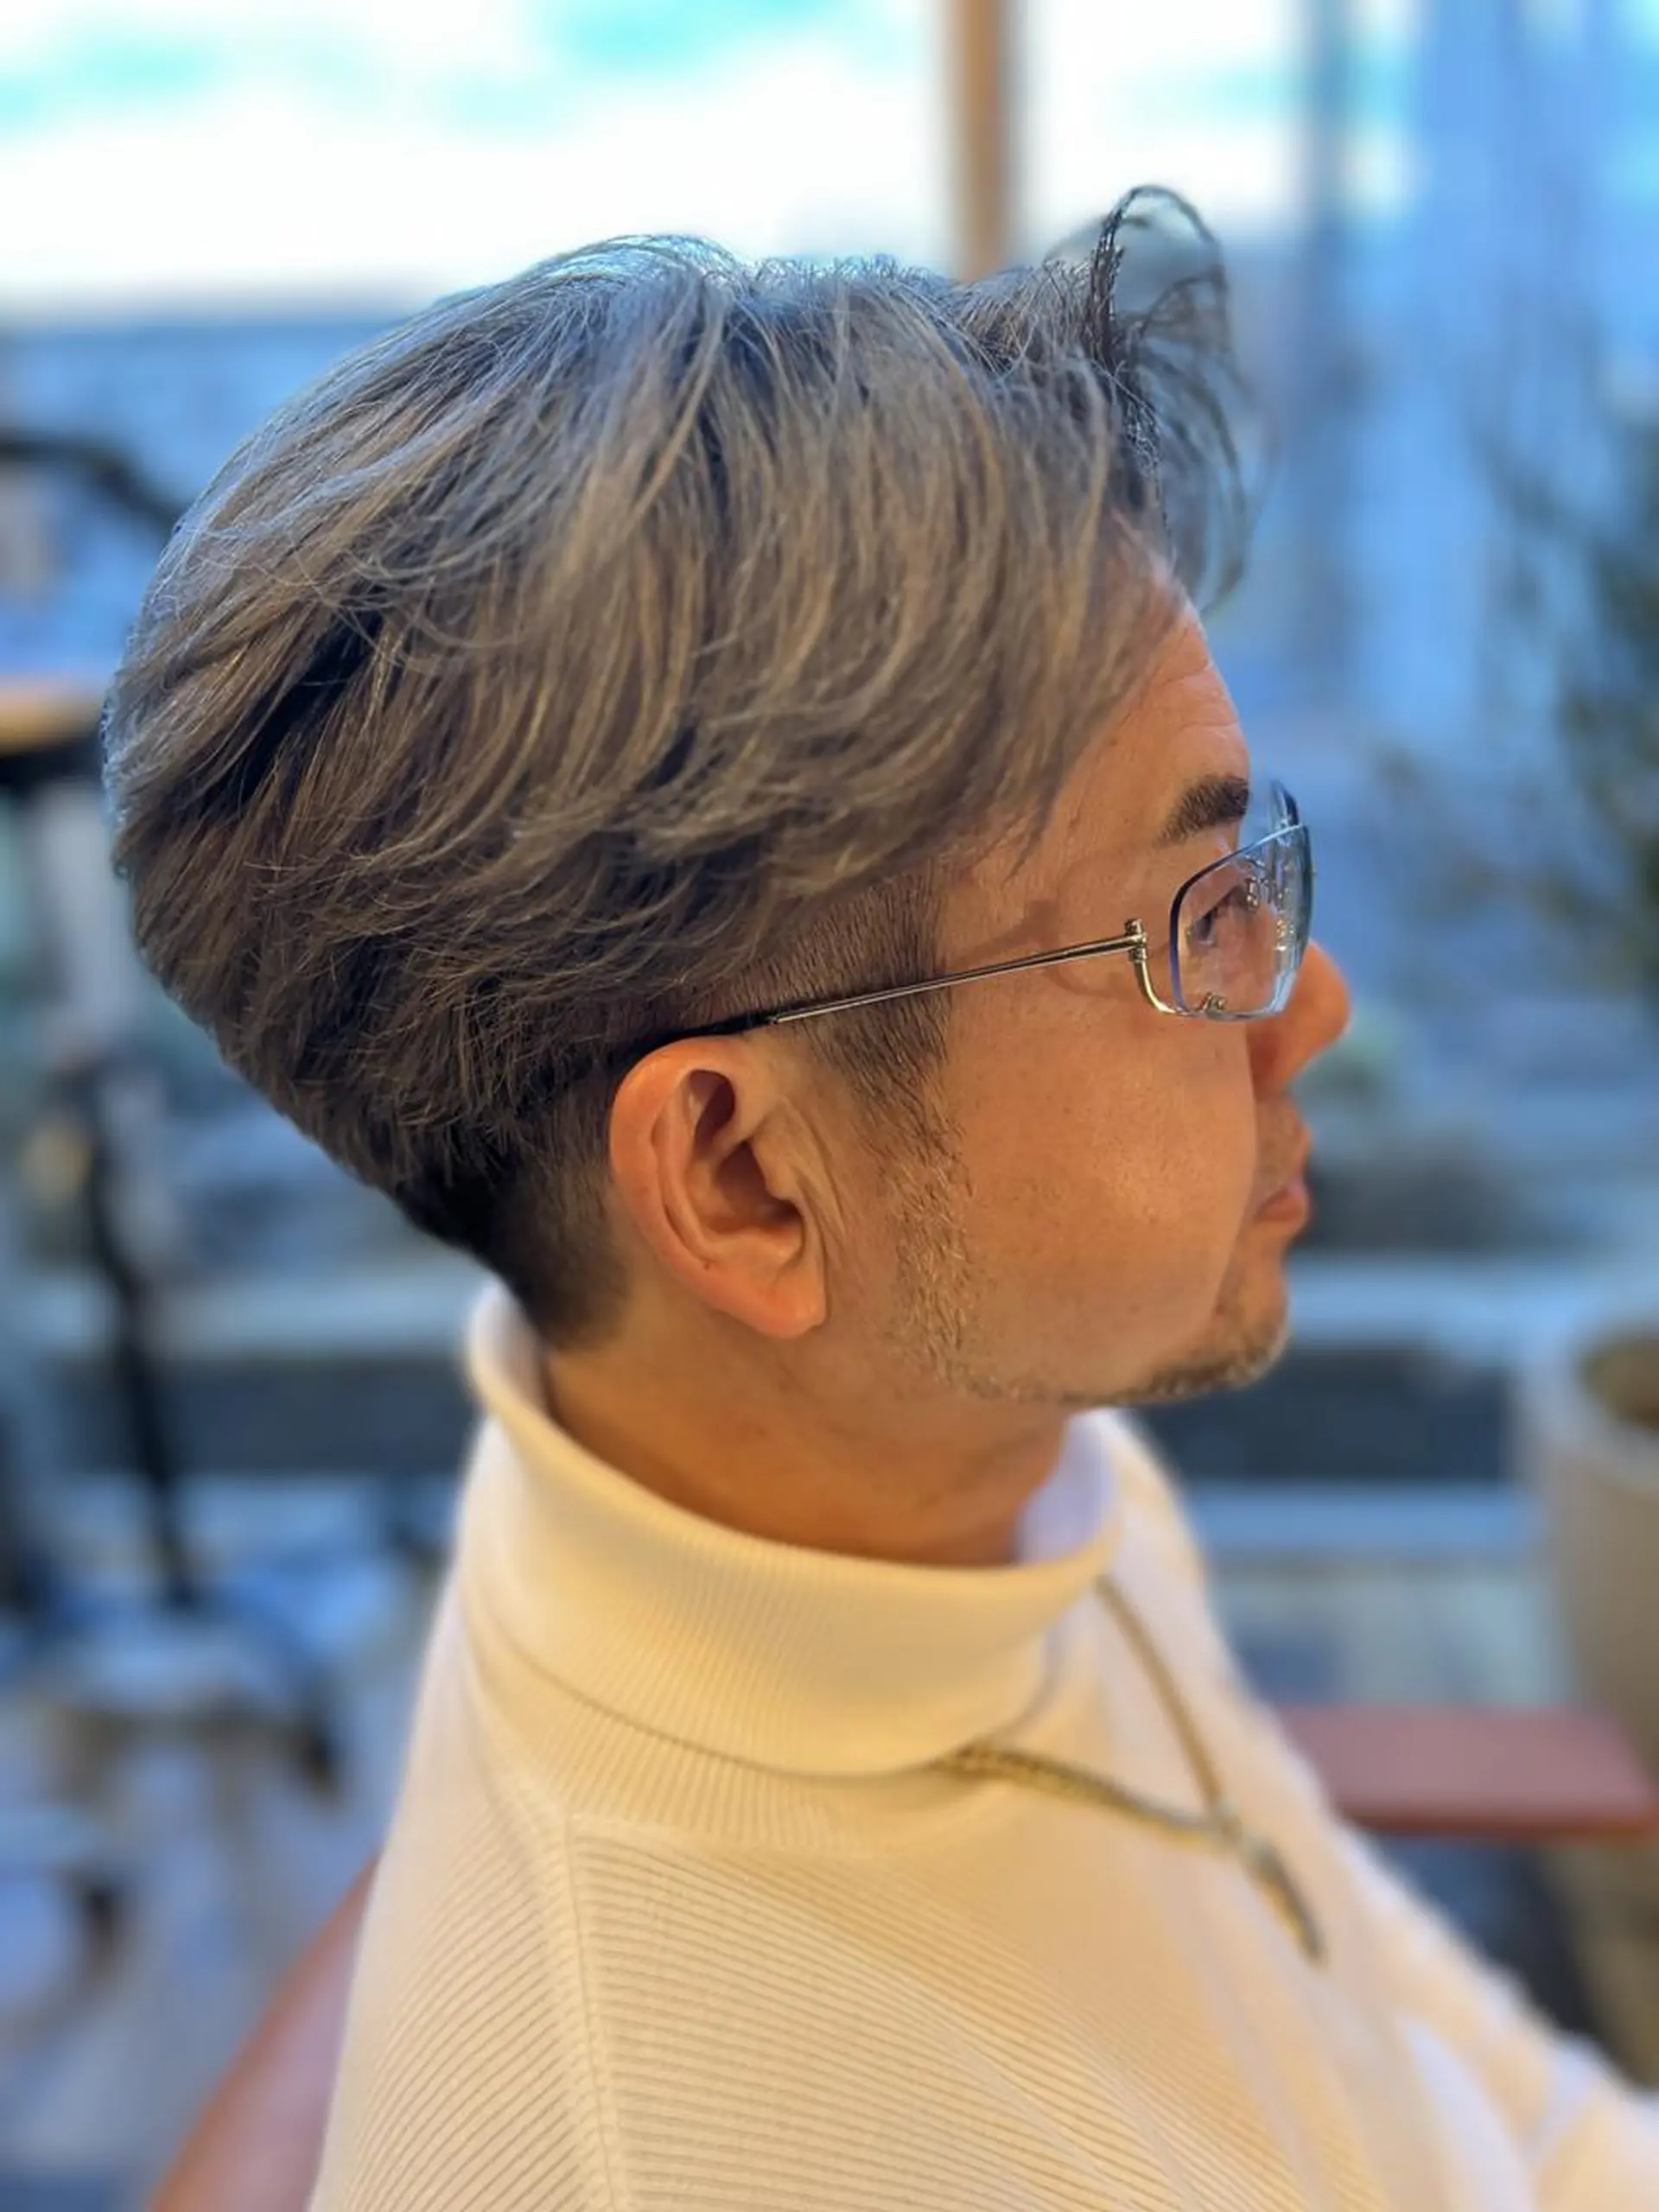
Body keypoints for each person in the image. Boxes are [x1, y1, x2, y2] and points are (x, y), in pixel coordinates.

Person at [107, 194, 1659, 2211]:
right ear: (746, 1178)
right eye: (1188, 921)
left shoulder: (982, 1451)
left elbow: (1394, 2019)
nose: (1311, 1001)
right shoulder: (691, 2146)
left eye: (1252, 866)